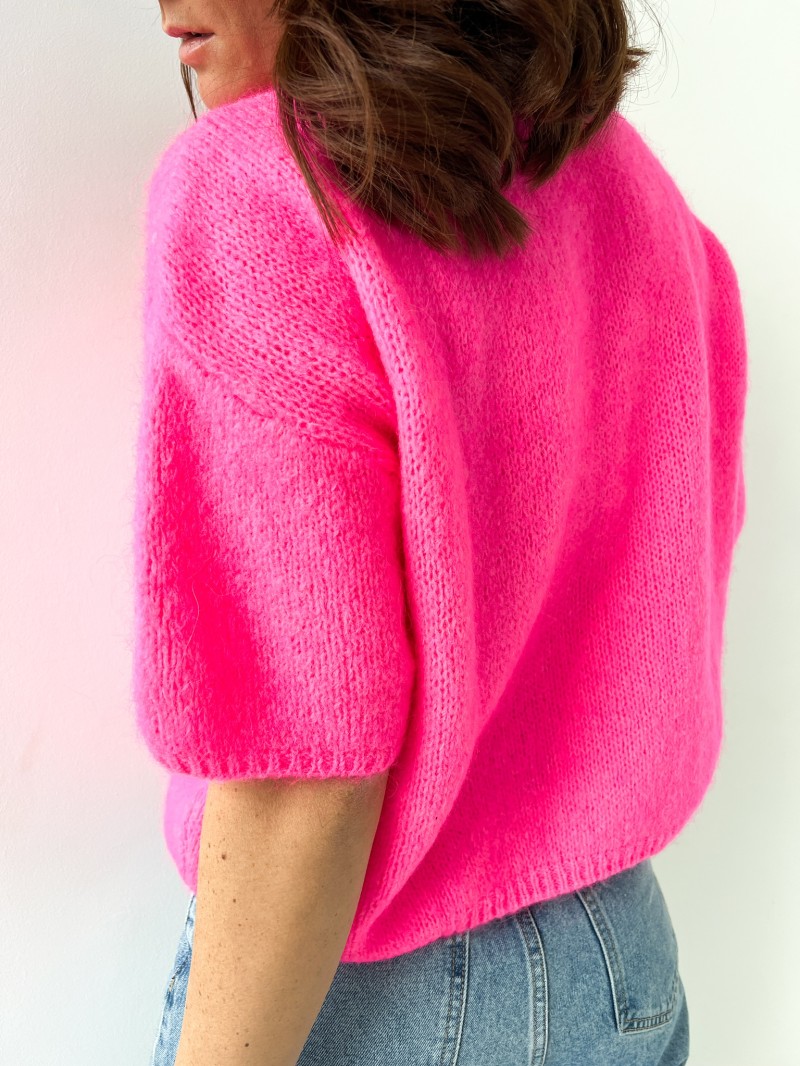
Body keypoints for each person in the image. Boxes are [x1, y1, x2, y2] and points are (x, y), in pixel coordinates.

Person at [137, 1, 748, 1064]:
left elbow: (302, 772)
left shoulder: (257, 191)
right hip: (623, 961)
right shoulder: (616, 174)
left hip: (392, 990)